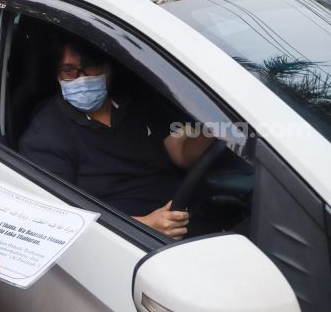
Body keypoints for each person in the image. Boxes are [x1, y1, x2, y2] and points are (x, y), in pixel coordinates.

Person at [19, 38, 214, 239]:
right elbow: (59, 218)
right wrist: (144, 226)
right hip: (129, 240)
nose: (81, 78)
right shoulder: (46, 132)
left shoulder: (138, 101)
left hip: (191, 216)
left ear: (108, 69)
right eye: (68, 70)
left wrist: (218, 125)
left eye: (90, 67)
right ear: (57, 75)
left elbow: (181, 152)